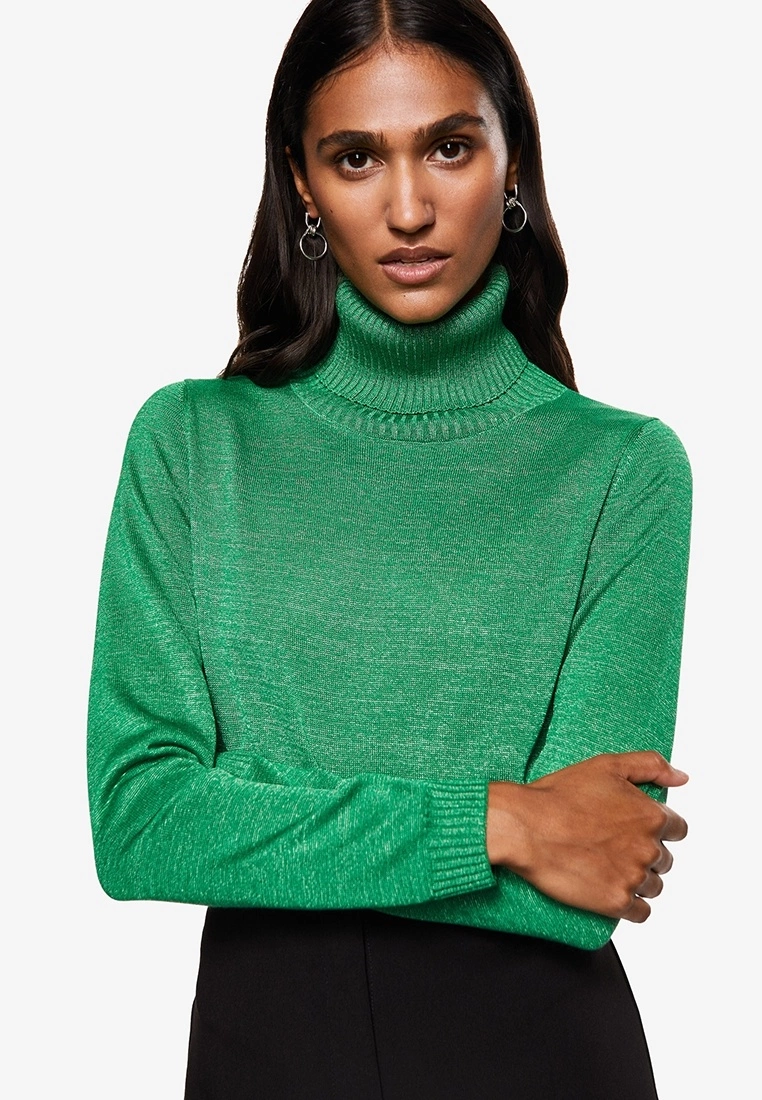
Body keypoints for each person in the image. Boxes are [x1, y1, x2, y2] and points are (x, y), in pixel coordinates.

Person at [86, 0, 692, 1096]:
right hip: (265, 1055)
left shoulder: (622, 469)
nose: (409, 208)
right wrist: (501, 817)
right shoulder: (192, 444)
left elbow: (587, 874)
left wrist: (256, 811)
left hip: (544, 1056)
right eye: (357, 157)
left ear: (513, 158)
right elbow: (144, 821)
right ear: (303, 182)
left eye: (449, 147)